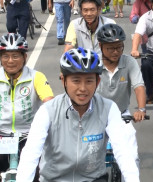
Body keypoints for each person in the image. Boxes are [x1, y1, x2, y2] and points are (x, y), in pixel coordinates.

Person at [16, 47, 140, 182]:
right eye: (76, 80)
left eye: (89, 81)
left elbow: (123, 151)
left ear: (97, 82)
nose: (83, 88)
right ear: (63, 80)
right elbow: (30, 154)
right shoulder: (48, 111)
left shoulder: (109, 108)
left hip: (94, 179)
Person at [0, 33, 54, 182]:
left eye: (15, 56)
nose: (10, 61)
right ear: (0, 58)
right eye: (6, 56)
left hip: (29, 135)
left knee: (39, 174)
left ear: (24, 57)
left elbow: (49, 103)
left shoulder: (36, 77)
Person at [96, 23, 146, 121]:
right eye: (110, 48)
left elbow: (139, 87)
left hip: (121, 114)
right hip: (96, 115)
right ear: (100, 45)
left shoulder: (129, 62)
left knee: (130, 136)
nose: (116, 52)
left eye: (119, 47)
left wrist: (141, 109)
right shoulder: (94, 63)